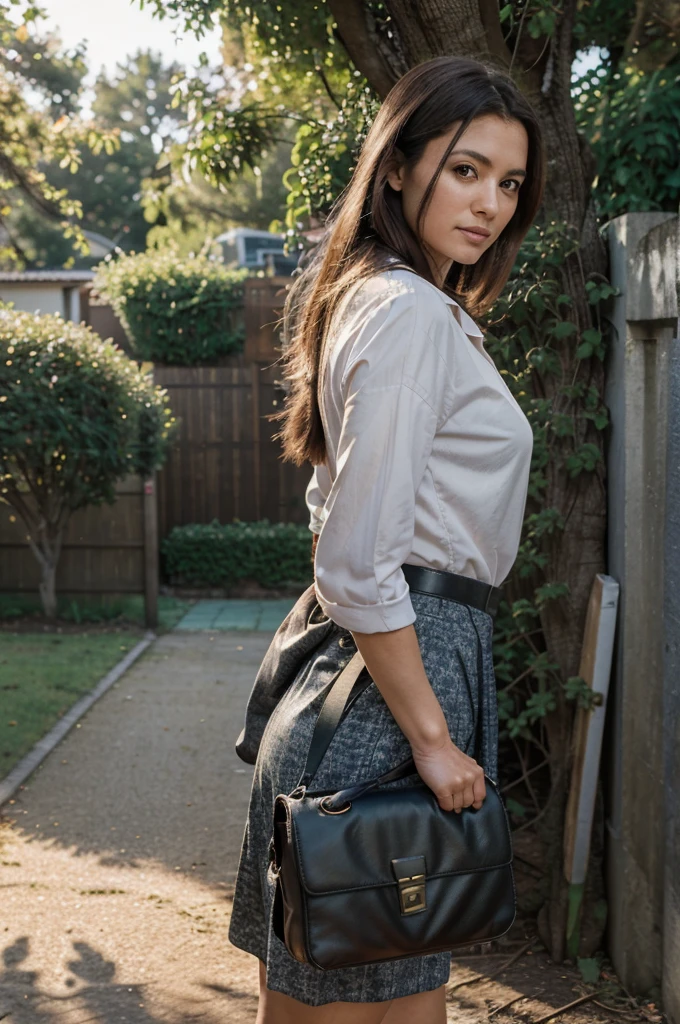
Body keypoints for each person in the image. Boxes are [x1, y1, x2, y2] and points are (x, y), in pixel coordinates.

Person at [228, 54, 546, 1024]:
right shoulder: (407, 312)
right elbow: (360, 560)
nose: (488, 201)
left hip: (390, 680)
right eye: (464, 168)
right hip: (387, 700)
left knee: (397, 1002)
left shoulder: (398, 299)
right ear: (399, 166)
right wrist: (434, 739)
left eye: (508, 182)